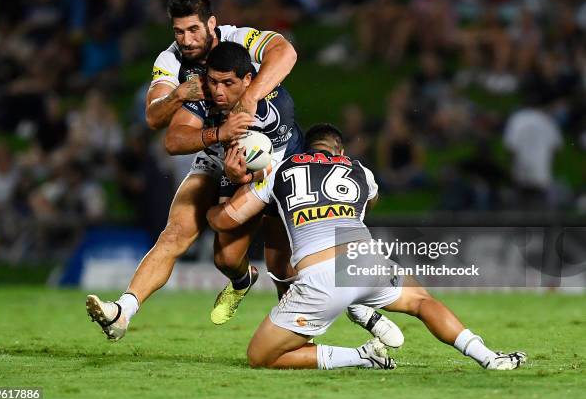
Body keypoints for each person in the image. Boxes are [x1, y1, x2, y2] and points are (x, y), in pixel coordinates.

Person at [86, 1, 390, 342]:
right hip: (220, 156)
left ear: (212, 26)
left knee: (282, 264)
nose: (186, 40)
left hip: (273, 166)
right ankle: (123, 312)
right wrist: (207, 122)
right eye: (178, 32)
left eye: (193, 30)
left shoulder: (259, 80)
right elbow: (167, 132)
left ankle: (312, 333)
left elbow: (285, 52)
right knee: (197, 244)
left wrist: (247, 103)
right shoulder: (178, 69)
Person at [207, 124, 527, 370]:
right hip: (366, 260)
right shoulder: (362, 172)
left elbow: (225, 222)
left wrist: (225, 191)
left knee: (259, 356)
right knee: (422, 302)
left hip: (320, 275)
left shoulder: (278, 170)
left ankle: (360, 355)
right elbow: (367, 204)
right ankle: (488, 357)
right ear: (340, 149)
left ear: (305, 148)